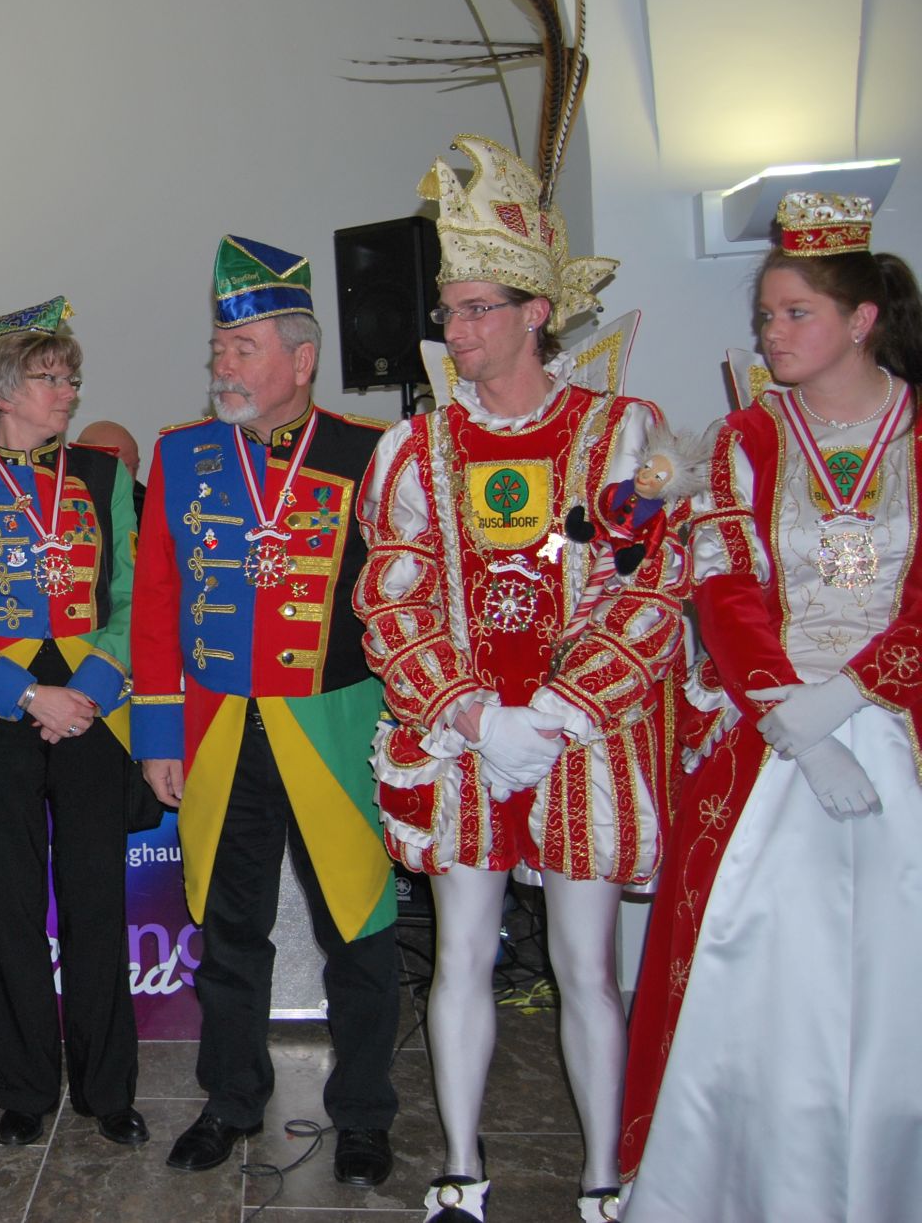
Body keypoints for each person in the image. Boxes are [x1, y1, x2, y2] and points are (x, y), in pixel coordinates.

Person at [355, 137, 685, 1222]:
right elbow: (391, 596)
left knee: (585, 967)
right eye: (447, 311)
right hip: (461, 742)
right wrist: (465, 711)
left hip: (576, 740)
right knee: (459, 953)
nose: (455, 329)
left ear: (536, 311)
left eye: (475, 309)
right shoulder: (415, 449)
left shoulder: (621, 436)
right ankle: (459, 1164)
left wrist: (551, 713)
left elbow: (648, 588)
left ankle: (603, 1174)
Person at [621, 193, 922, 1221]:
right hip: (776, 728)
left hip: (898, 721)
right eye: (764, 317)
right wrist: (790, 710)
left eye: (795, 313)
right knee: (760, 966)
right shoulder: (745, 438)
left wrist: (852, 696)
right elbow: (725, 580)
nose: (771, 334)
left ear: (861, 318)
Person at [132, 237, 401, 1186]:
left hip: (335, 727)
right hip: (217, 727)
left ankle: (363, 1112)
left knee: (358, 928)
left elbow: (401, 598)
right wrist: (158, 733)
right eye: (218, 347)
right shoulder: (182, 454)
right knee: (229, 929)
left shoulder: (370, 453)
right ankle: (231, 1099)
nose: (223, 365)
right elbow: (156, 600)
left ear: (303, 357)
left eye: (243, 348)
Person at [0, 296, 144, 1149]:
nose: (69, 392)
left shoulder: (104, 475)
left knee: (97, 901)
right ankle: (23, 1088)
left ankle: (107, 1087)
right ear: (4, 390)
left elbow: (132, 593)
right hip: (0, 711)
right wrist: (26, 693)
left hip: (91, 706)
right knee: (10, 907)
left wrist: (88, 687)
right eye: (52, 377)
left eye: (72, 378)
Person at [75, 417, 146, 519]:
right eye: (121, 469)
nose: (130, 479)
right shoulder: (59, 499)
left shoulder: (145, 507)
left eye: (135, 467)